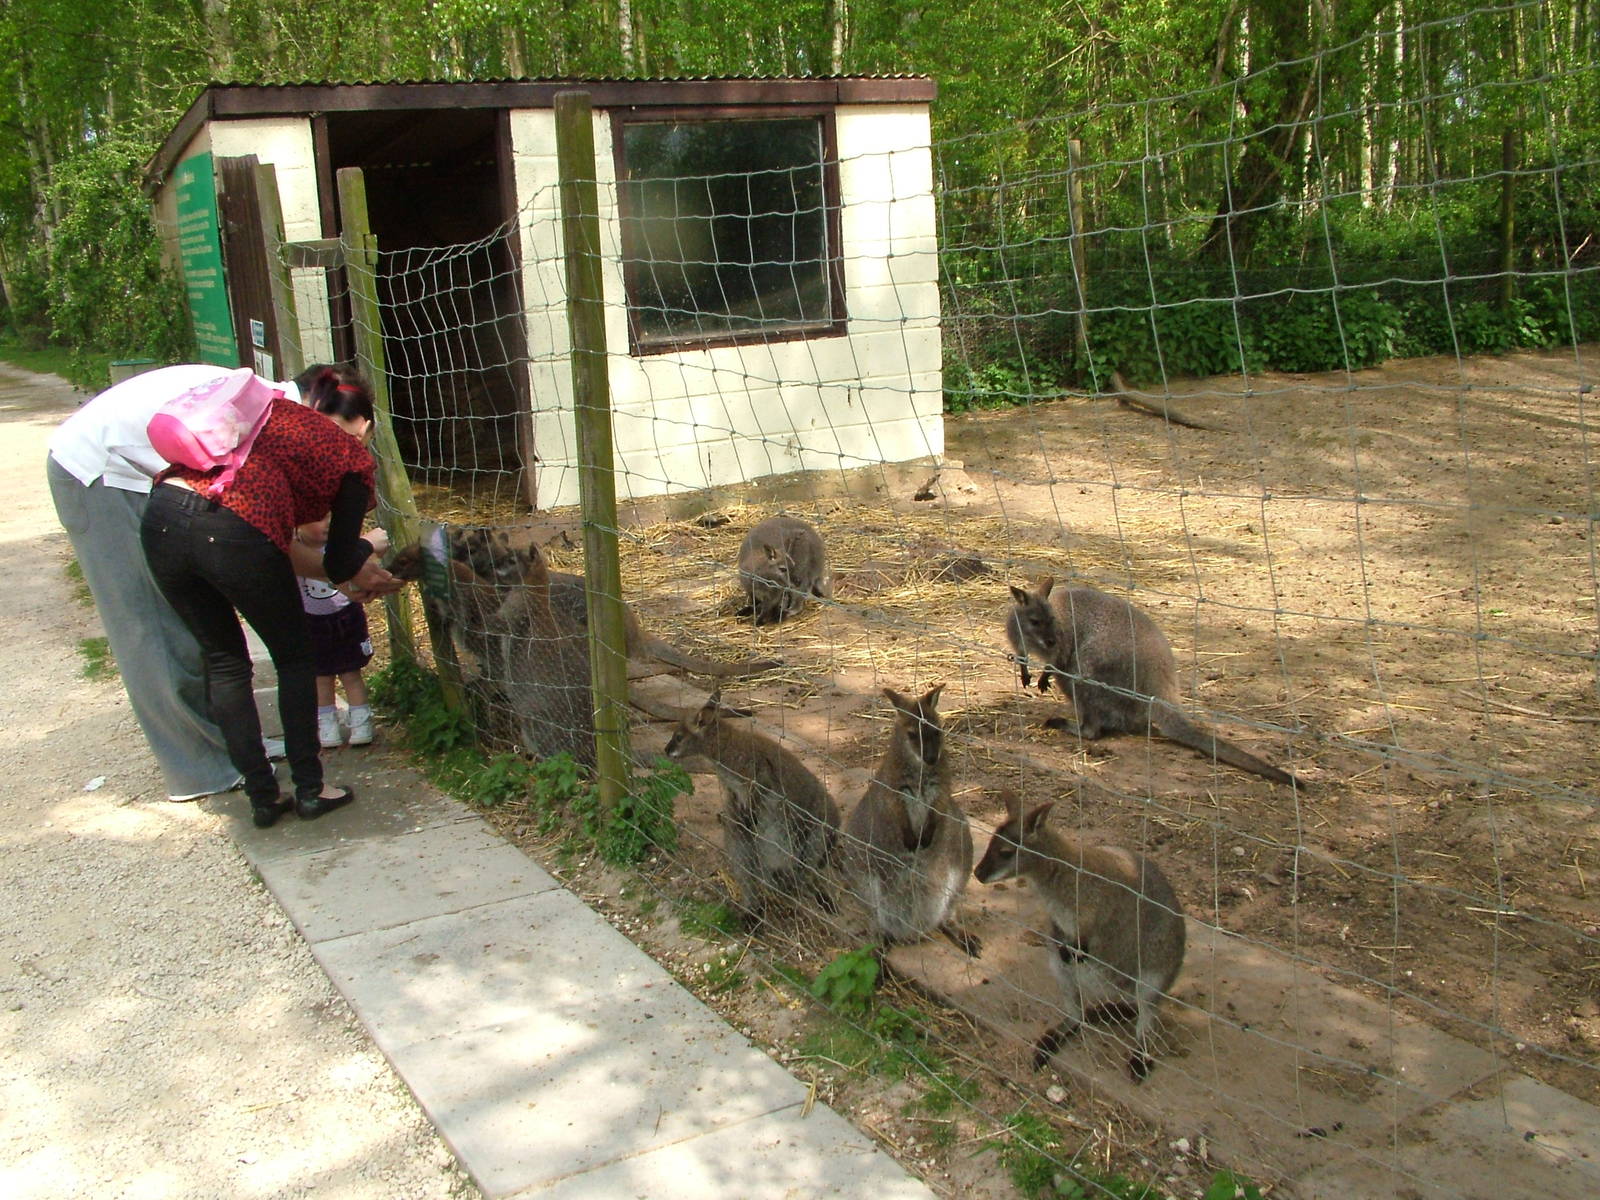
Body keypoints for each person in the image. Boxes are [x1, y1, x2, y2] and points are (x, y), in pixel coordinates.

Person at [140, 365, 400, 828]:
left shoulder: (265, 414)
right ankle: (310, 788)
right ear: (363, 421)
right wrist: (371, 547)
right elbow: (339, 564)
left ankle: (262, 796)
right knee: (295, 658)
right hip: (232, 529)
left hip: (161, 516)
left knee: (224, 662)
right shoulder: (351, 456)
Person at [47, 364, 251, 802]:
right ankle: (199, 768)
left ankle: (234, 745)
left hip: (140, 476)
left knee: (194, 610)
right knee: (150, 621)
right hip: (100, 477)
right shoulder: (263, 415)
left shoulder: (266, 402)